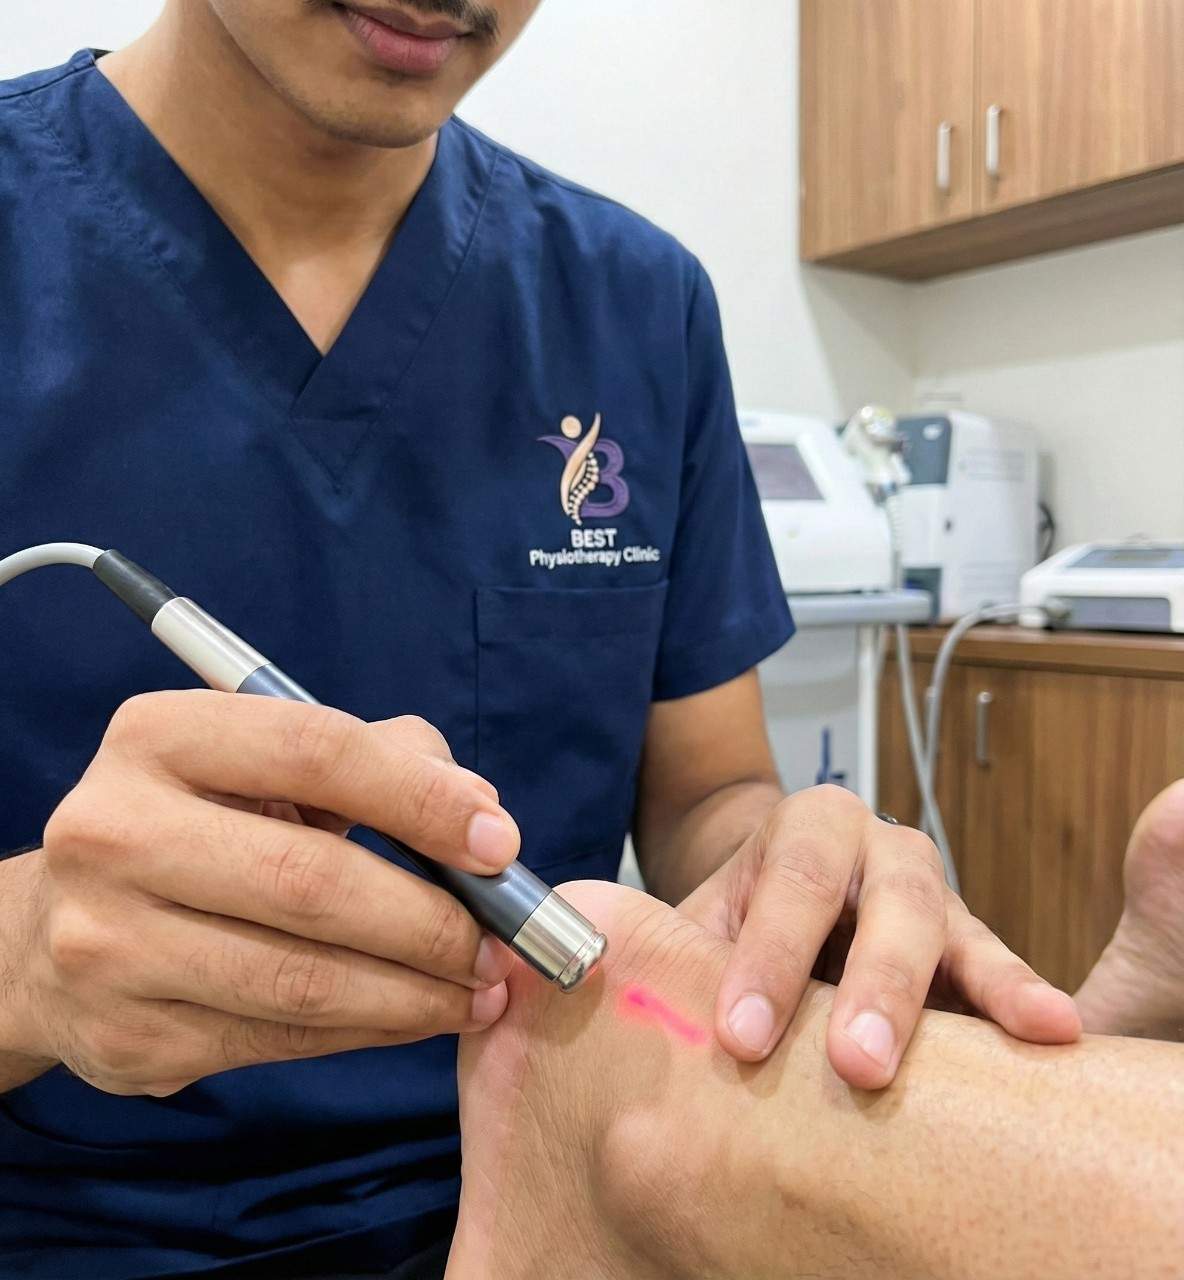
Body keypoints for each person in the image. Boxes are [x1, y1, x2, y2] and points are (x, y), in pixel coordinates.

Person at [0, 2, 1077, 1275]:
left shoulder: (634, 301)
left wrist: (789, 865)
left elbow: (710, 794)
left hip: (569, 1178)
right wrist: (26, 959)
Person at [448, 786, 1184, 1278]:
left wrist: (793, 866)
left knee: (828, 1070)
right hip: (356, 1179)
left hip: (580, 1001)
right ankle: (620, 1123)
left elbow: (712, 788)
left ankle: (1094, 1053)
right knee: (668, 1094)